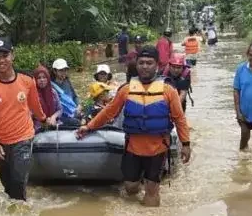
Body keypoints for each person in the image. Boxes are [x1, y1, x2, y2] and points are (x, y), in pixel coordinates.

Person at [76, 46, 191, 207]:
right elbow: (109, 112)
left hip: (157, 149)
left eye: (149, 63)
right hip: (132, 148)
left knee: (152, 191)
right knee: (130, 187)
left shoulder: (168, 90)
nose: (145, 66)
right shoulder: (126, 89)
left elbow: (179, 119)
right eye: (141, 63)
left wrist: (185, 144)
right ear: (136, 65)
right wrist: (88, 127)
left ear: (157, 65)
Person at [0, 37, 50, 201]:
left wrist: (44, 119)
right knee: (8, 186)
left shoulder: (27, 79)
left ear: (12, 56)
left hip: (23, 139)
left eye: (5, 55)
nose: (1, 60)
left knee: (18, 183)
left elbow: (35, 105)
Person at [33, 66, 61, 132]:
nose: (42, 80)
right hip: (39, 127)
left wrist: (53, 117)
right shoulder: (32, 95)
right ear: (35, 80)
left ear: (48, 79)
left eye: (44, 77)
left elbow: (60, 109)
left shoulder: (53, 92)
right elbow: (31, 113)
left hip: (54, 124)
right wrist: (45, 120)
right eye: (39, 78)